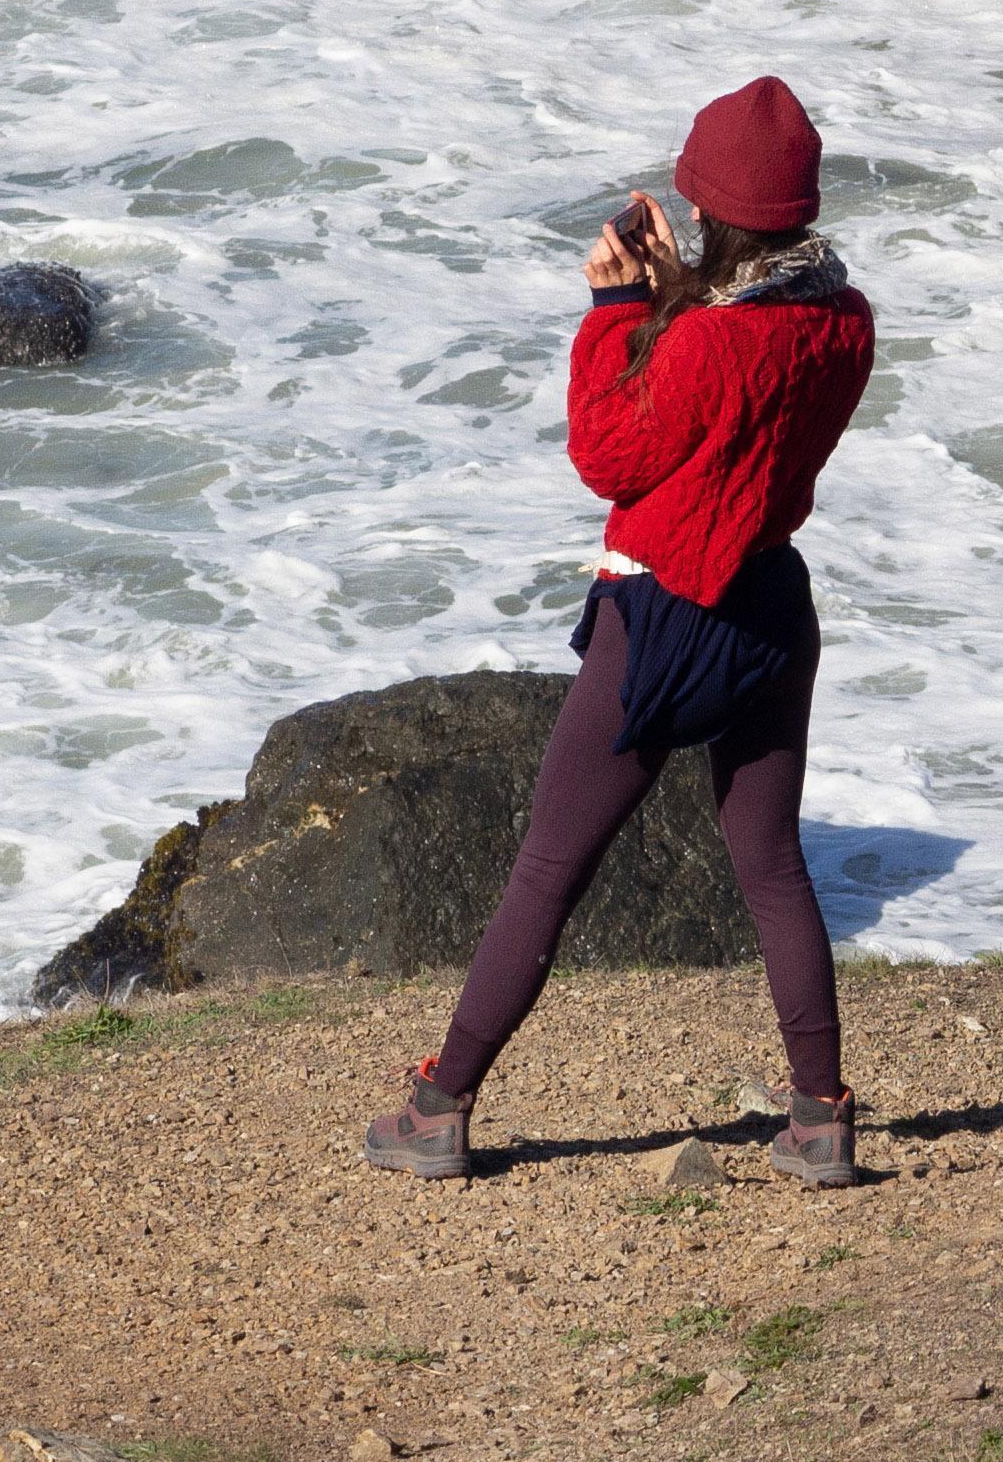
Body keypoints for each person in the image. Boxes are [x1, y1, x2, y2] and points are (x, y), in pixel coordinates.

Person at [363, 77, 879, 1187]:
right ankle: (821, 1117)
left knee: (548, 870)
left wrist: (613, 312)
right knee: (774, 867)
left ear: (707, 210)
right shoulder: (844, 320)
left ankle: (439, 1105)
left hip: (661, 620)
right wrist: (677, 291)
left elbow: (611, 452)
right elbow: (741, 378)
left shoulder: (700, 346)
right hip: (772, 611)